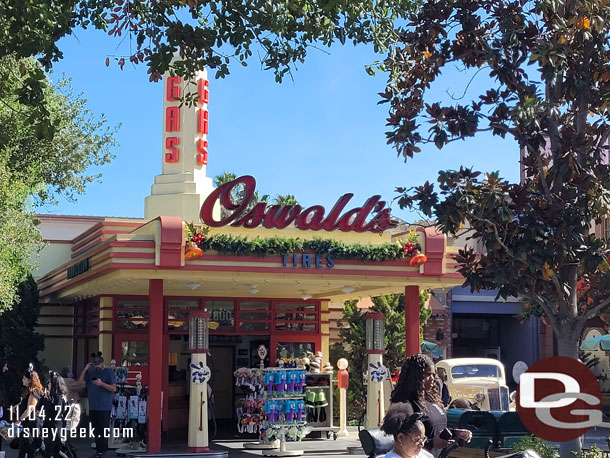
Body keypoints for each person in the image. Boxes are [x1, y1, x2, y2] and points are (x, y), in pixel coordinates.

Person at [390, 354, 472, 458]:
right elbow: (399, 438)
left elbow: (435, 429)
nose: (433, 379)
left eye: (434, 374)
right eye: (428, 375)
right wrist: (431, 443)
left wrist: (455, 433)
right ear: (415, 376)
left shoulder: (431, 398)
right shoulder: (403, 401)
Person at [84, 353, 117, 458]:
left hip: (104, 407)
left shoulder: (108, 372)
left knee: (103, 430)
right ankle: (98, 451)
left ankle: (103, 451)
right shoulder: (91, 373)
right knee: (95, 430)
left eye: (99, 364)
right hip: (93, 406)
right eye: (95, 364)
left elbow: (113, 389)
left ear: (103, 363)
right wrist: (85, 369)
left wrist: (101, 384)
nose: (97, 366)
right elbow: (81, 383)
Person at [17, 364, 44, 458]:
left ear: (30, 380)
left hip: (32, 424)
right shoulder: (28, 391)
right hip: (28, 423)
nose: (22, 380)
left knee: (31, 449)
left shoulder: (34, 392)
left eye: (24, 378)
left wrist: (19, 420)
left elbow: (30, 408)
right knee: (25, 448)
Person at [41, 372, 68, 458]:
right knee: (56, 451)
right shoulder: (55, 396)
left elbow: (57, 412)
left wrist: (47, 402)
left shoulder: (57, 397)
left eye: (49, 382)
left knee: (50, 451)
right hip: (53, 425)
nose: (47, 384)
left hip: (54, 426)